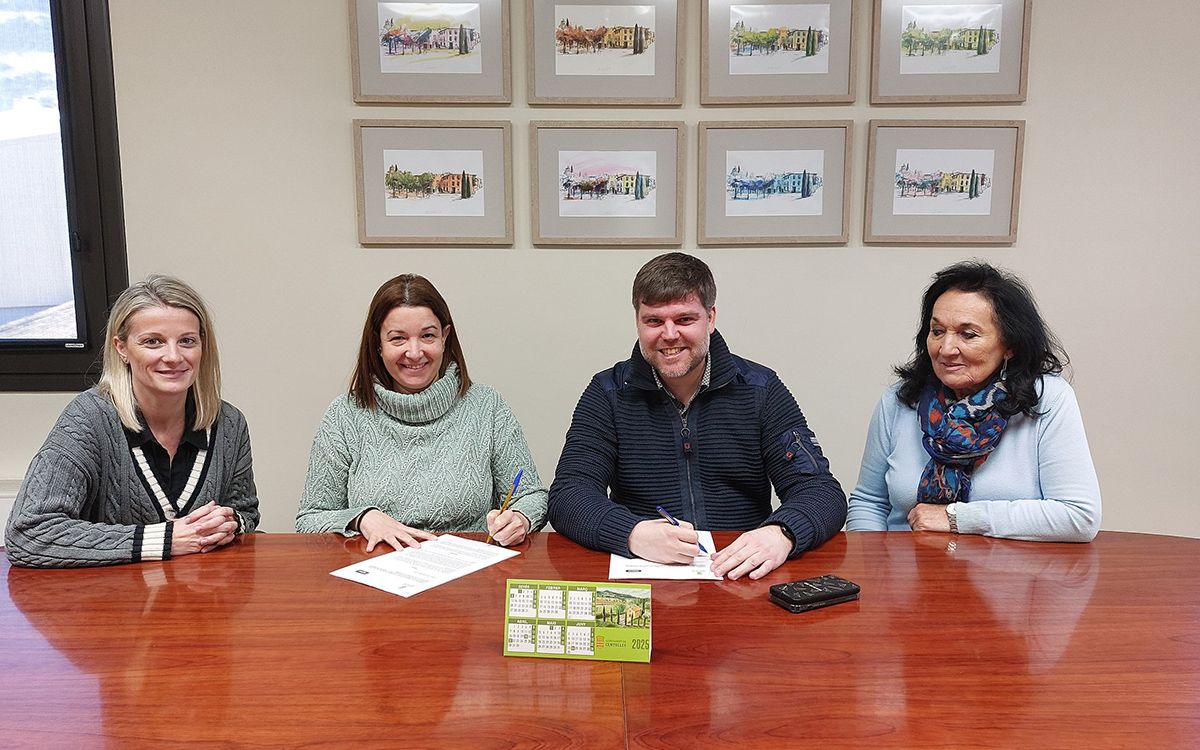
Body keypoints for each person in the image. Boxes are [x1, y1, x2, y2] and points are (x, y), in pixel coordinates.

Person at [549, 252, 846, 580]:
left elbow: (821, 491)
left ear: (711, 317)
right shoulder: (608, 393)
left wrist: (782, 533)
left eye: (685, 319)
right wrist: (631, 532)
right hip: (643, 577)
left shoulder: (760, 389)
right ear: (637, 321)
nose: (670, 334)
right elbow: (568, 494)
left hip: (741, 576)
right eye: (654, 321)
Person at [5, 275, 259, 568]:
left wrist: (229, 523)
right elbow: (29, 533)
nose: (173, 356)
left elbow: (246, 512)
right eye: (153, 342)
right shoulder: (89, 418)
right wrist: (163, 540)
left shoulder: (228, 422)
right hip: (110, 604)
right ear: (122, 348)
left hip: (200, 603)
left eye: (187, 341)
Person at [846, 261, 1101, 542]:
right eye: (937, 331)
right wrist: (870, 571)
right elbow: (869, 502)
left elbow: (1078, 516)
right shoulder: (900, 400)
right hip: (903, 577)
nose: (946, 349)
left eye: (968, 335)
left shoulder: (1047, 398)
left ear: (1009, 345)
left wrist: (956, 518)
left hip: (1006, 580)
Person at [295, 274, 547, 549]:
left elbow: (532, 495)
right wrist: (362, 518)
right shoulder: (345, 415)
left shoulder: (487, 406)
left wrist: (520, 519)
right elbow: (310, 519)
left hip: (470, 575)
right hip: (376, 577)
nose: (414, 352)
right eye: (398, 339)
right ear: (378, 344)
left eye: (427, 336)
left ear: (445, 337)